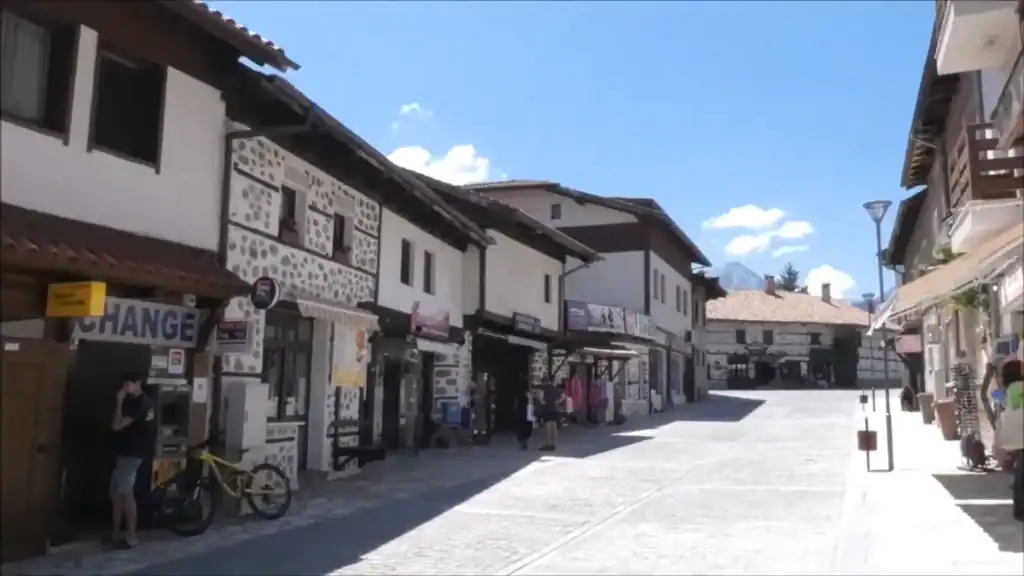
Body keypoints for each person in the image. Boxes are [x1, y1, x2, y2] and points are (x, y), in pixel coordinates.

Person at [109, 372, 154, 549]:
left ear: (138, 383)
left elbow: (116, 425)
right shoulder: (134, 401)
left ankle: (131, 536)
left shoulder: (141, 403)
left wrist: (119, 402)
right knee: (117, 494)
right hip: (124, 453)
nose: (125, 388)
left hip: (132, 454)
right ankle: (116, 532)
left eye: (128, 384)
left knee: (126, 494)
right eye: (124, 384)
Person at [995, 359, 1024, 522]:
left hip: (1013, 432)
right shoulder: (1019, 387)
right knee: (1021, 472)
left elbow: (994, 397)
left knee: (1020, 470)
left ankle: (1019, 508)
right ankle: (1020, 509)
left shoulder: (1005, 390)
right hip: (1020, 430)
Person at [534, 379, 562, 452]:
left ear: (543, 382)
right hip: (555, 409)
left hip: (547, 409)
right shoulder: (554, 388)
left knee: (548, 426)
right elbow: (562, 396)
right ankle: (553, 444)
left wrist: (543, 403)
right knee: (554, 425)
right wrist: (557, 402)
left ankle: (548, 444)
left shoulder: (543, 388)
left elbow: (540, 398)